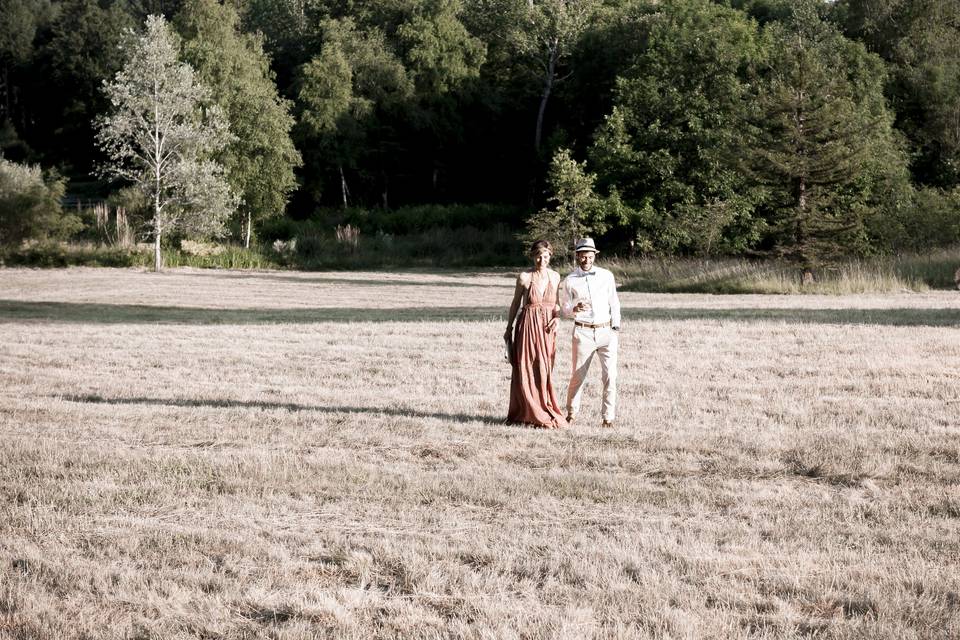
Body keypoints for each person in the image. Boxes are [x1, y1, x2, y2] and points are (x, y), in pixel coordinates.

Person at [504, 240, 568, 429]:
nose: (542, 260)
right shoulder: (524, 277)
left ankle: (544, 408)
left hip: (547, 328)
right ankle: (527, 412)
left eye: (546, 256)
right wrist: (509, 329)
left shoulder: (556, 277)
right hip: (528, 326)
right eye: (539, 256)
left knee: (544, 368)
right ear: (533, 256)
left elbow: (556, 303)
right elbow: (516, 304)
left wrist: (558, 318)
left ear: (550, 257)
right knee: (526, 367)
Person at [560, 238, 621, 427]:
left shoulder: (606, 276)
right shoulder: (569, 280)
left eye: (589, 256)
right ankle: (571, 413)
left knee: (610, 376)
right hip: (583, 332)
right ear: (577, 256)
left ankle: (607, 418)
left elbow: (614, 302)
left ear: (595, 255)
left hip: (606, 331)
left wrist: (615, 328)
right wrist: (574, 309)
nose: (586, 260)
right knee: (577, 376)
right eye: (582, 256)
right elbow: (564, 308)